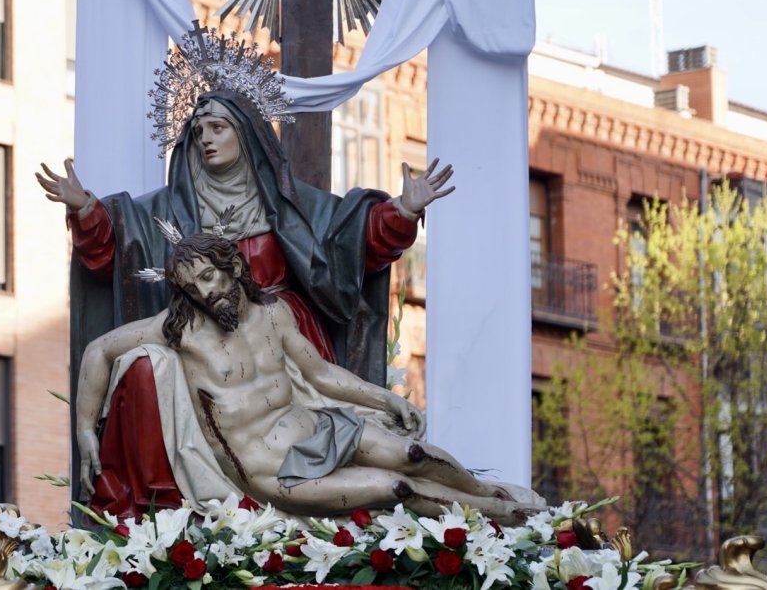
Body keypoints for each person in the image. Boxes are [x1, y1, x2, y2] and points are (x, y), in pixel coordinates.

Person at [38, 90, 453, 516]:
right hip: (210, 357)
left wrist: (403, 210)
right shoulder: (173, 210)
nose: (206, 139)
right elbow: (122, 244)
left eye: (218, 128)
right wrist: (86, 210)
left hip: (285, 340)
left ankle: (486, 511)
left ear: (247, 134)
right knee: (149, 368)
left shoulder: (287, 202)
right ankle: (173, 508)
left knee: (392, 458)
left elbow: (350, 240)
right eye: (198, 131)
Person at [76, 230, 542, 522]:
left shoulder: (273, 314)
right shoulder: (181, 331)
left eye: (209, 277)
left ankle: (490, 494)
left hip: (318, 429)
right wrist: (84, 429)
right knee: (396, 488)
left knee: (414, 454)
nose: (203, 292)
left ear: (234, 267)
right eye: (191, 286)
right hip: (273, 470)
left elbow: (321, 375)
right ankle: (499, 517)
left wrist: (386, 399)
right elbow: (99, 350)